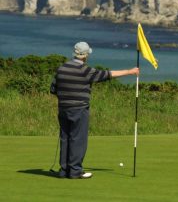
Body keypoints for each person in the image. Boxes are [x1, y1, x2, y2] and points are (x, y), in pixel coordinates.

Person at [50, 41, 139, 179]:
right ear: (85, 55)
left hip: (63, 109)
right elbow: (108, 74)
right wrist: (130, 72)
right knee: (78, 139)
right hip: (79, 109)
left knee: (65, 138)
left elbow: (53, 89)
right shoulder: (85, 71)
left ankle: (64, 170)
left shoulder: (61, 68)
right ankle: (75, 171)